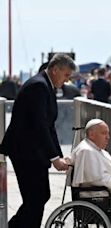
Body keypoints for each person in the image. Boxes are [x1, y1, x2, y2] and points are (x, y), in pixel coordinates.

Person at [0, 53, 75, 227]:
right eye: (66, 75)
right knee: (35, 197)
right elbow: (39, 125)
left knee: (39, 196)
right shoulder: (38, 87)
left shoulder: (45, 85)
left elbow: (50, 126)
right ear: (55, 70)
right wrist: (55, 159)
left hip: (33, 151)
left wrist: (58, 154)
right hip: (25, 152)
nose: (67, 80)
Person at [70, 119, 111, 212]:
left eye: (108, 134)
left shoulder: (96, 149)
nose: (108, 137)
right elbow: (100, 179)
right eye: (104, 133)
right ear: (91, 135)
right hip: (104, 195)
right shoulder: (86, 151)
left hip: (110, 192)